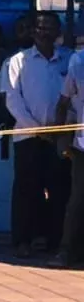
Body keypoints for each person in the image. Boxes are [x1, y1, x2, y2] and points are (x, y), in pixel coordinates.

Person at [0, 10, 71, 257]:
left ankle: (55, 241)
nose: (44, 32)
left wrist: (59, 129)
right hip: (28, 136)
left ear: (58, 31)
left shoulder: (69, 59)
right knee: (27, 190)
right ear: (32, 32)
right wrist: (37, 129)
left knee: (60, 189)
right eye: (40, 28)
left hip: (61, 135)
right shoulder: (16, 61)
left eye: (49, 27)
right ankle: (23, 240)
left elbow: (73, 97)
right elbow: (12, 100)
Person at [54, 46, 84, 266]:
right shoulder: (79, 61)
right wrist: (60, 137)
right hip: (82, 146)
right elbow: (63, 103)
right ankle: (67, 251)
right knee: (77, 201)